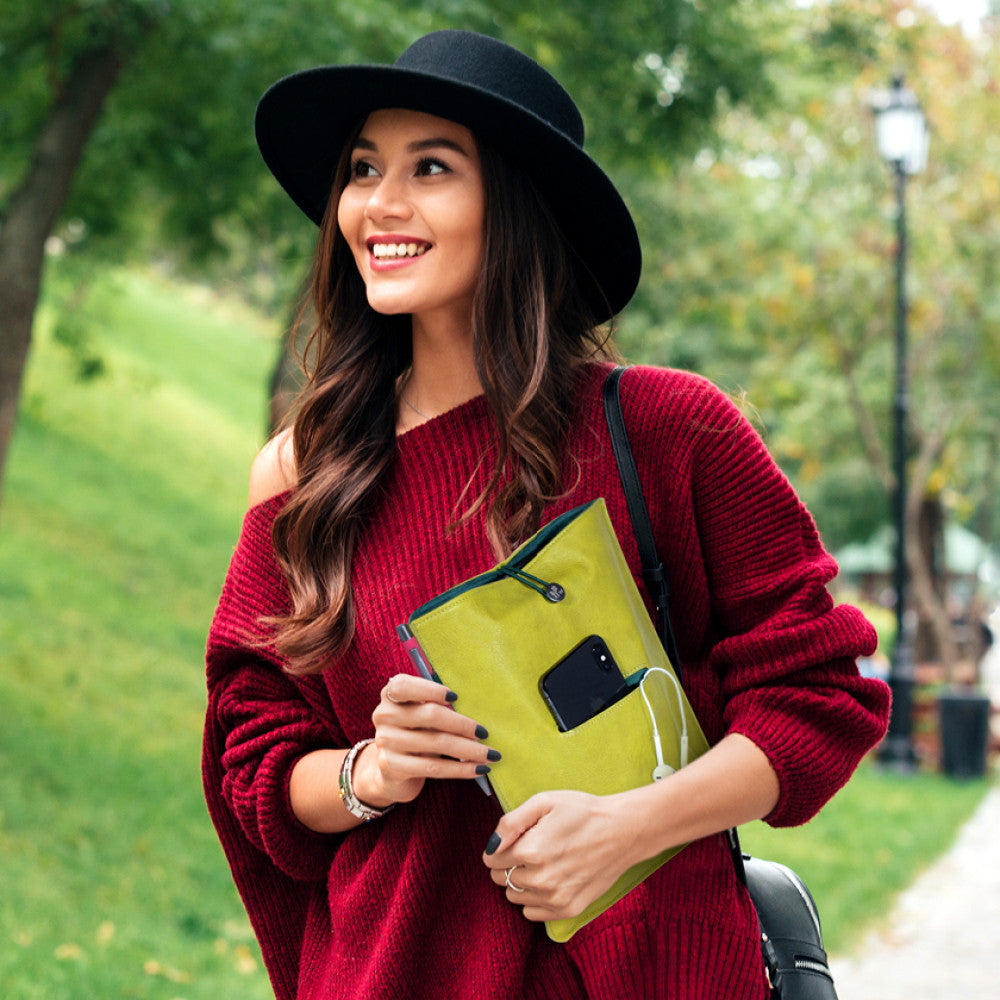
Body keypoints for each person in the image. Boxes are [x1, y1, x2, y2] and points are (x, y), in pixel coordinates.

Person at [202, 29, 891, 1000]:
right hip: (395, 971)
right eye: (363, 168)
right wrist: (373, 767)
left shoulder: (666, 430)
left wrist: (633, 824)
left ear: (518, 205)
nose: (378, 204)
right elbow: (254, 754)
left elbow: (818, 692)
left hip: (657, 970)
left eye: (431, 167)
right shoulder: (303, 472)